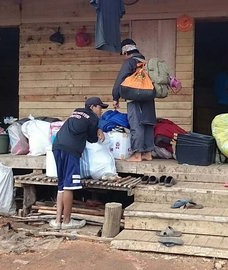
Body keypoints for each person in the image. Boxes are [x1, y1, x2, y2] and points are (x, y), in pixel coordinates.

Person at [49, 97, 107, 229]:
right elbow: (92, 139)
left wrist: (96, 128)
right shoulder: (93, 118)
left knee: (62, 184)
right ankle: (67, 221)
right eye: (100, 107)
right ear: (92, 107)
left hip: (57, 146)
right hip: (71, 150)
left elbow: (80, 128)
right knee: (69, 185)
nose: (101, 111)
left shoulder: (76, 112)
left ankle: (58, 221)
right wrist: (99, 130)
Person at [112, 38, 156, 162]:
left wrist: (115, 97)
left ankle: (137, 154)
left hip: (135, 98)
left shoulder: (130, 62)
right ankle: (148, 153)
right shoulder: (145, 62)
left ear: (126, 52)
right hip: (148, 98)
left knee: (136, 124)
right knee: (147, 123)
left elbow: (119, 80)